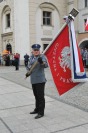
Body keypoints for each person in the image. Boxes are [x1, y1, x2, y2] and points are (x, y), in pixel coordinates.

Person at [26, 44, 48, 119]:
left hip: (40, 80)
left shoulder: (42, 57)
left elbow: (45, 65)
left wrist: (41, 62)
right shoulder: (31, 57)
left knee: (40, 97)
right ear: (32, 51)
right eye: (34, 50)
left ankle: (41, 113)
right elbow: (28, 66)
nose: (36, 51)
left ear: (39, 51)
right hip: (33, 80)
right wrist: (28, 72)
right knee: (36, 96)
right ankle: (37, 109)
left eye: (37, 50)